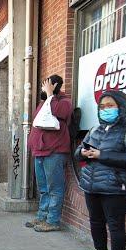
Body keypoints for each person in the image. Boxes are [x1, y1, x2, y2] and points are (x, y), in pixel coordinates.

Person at [76, 90, 126, 250]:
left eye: (110, 106)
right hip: (92, 184)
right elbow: (77, 153)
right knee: (96, 222)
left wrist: (101, 155)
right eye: (102, 106)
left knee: (115, 225)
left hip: (116, 186)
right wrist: (82, 153)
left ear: (121, 107)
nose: (105, 110)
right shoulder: (94, 130)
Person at [26, 75, 73, 232]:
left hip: (55, 151)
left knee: (55, 188)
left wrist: (50, 95)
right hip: (40, 151)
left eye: (46, 85)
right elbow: (37, 120)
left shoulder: (64, 101)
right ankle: (41, 216)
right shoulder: (45, 101)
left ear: (54, 86)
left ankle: (52, 221)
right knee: (43, 188)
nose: (43, 88)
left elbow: (60, 112)